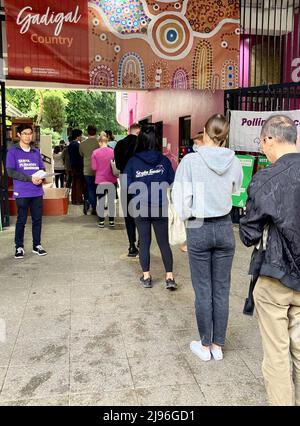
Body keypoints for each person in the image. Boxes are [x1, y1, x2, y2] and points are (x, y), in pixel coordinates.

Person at [239, 115, 300, 406]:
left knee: (276, 355)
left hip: (275, 277)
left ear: (268, 140)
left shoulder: (264, 178)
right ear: (296, 139)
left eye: (262, 143)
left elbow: (249, 235)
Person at [173, 114, 243, 361]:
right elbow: (236, 190)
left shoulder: (191, 161)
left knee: (203, 289)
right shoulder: (234, 161)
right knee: (221, 288)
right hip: (224, 227)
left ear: (204, 131)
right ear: (225, 136)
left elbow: (180, 200)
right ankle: (218, 345)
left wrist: (187, 218)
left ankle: (204, 346)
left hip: (198, 226)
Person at [124, 126, 177, 290]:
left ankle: (146, 277)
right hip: (160, 206)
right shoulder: (164, 160)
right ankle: (169, 277)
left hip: (141, 207)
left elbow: (126, 185)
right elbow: (170, 181)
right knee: (163, 243)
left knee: (144, 243)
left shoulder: (133, 162)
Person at [6, 124, 47, 258]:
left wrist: (42, 178)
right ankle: (19, 247)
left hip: (37, 192)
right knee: (21, 220)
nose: (28, 136)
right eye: (25, 133)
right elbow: (11, 172)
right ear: (18, 135)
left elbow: (42, 169)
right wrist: (30, 178)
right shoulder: (12, 152)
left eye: (30, 133)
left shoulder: (35, 152)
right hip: (22, 192)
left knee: (37, 220)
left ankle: (37, 245)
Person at [114, 123, 141, 257]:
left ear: (129, 131)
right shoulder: (142, 143)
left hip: (125, 178)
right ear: (139, 132)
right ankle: (142, 240)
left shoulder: (119, 144)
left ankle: (131, 245)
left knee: (129, 214)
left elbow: (118, 165)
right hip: (141, 180)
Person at [180, 132, 205, 253]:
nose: (194, 146)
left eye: (196, 143)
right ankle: (189, 241)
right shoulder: (192, 159)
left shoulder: (191, 160)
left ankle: (191, 242)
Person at [91, 135, 117, 228]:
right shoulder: (113, 152)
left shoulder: (95, 152)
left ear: (99, 142)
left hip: (100, 180)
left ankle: (101, 221)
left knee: (101, 201)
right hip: (112, 180)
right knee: (111, 201)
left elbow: (94, 167)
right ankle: (111, 221)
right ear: (107, 141)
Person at [79, 125, 99, 215]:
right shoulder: (99, 143)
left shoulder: (82, 144)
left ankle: (90, 204)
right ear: (96, 132)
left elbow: (81, 155)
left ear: (87, 132)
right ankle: (93, 206)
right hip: (99, 170)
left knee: (90, 189)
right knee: (98, 189)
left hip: (87, 169)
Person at [68, 129, 85, 205]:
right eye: (81, 135)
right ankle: (79, 199)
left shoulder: (71, 144)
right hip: (79, 166)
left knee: (74, 182)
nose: (81, 137)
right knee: (79, 182)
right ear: (78, 136)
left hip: (72, 165)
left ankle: (74, 199)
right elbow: (81, 156)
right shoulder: (78, 145)